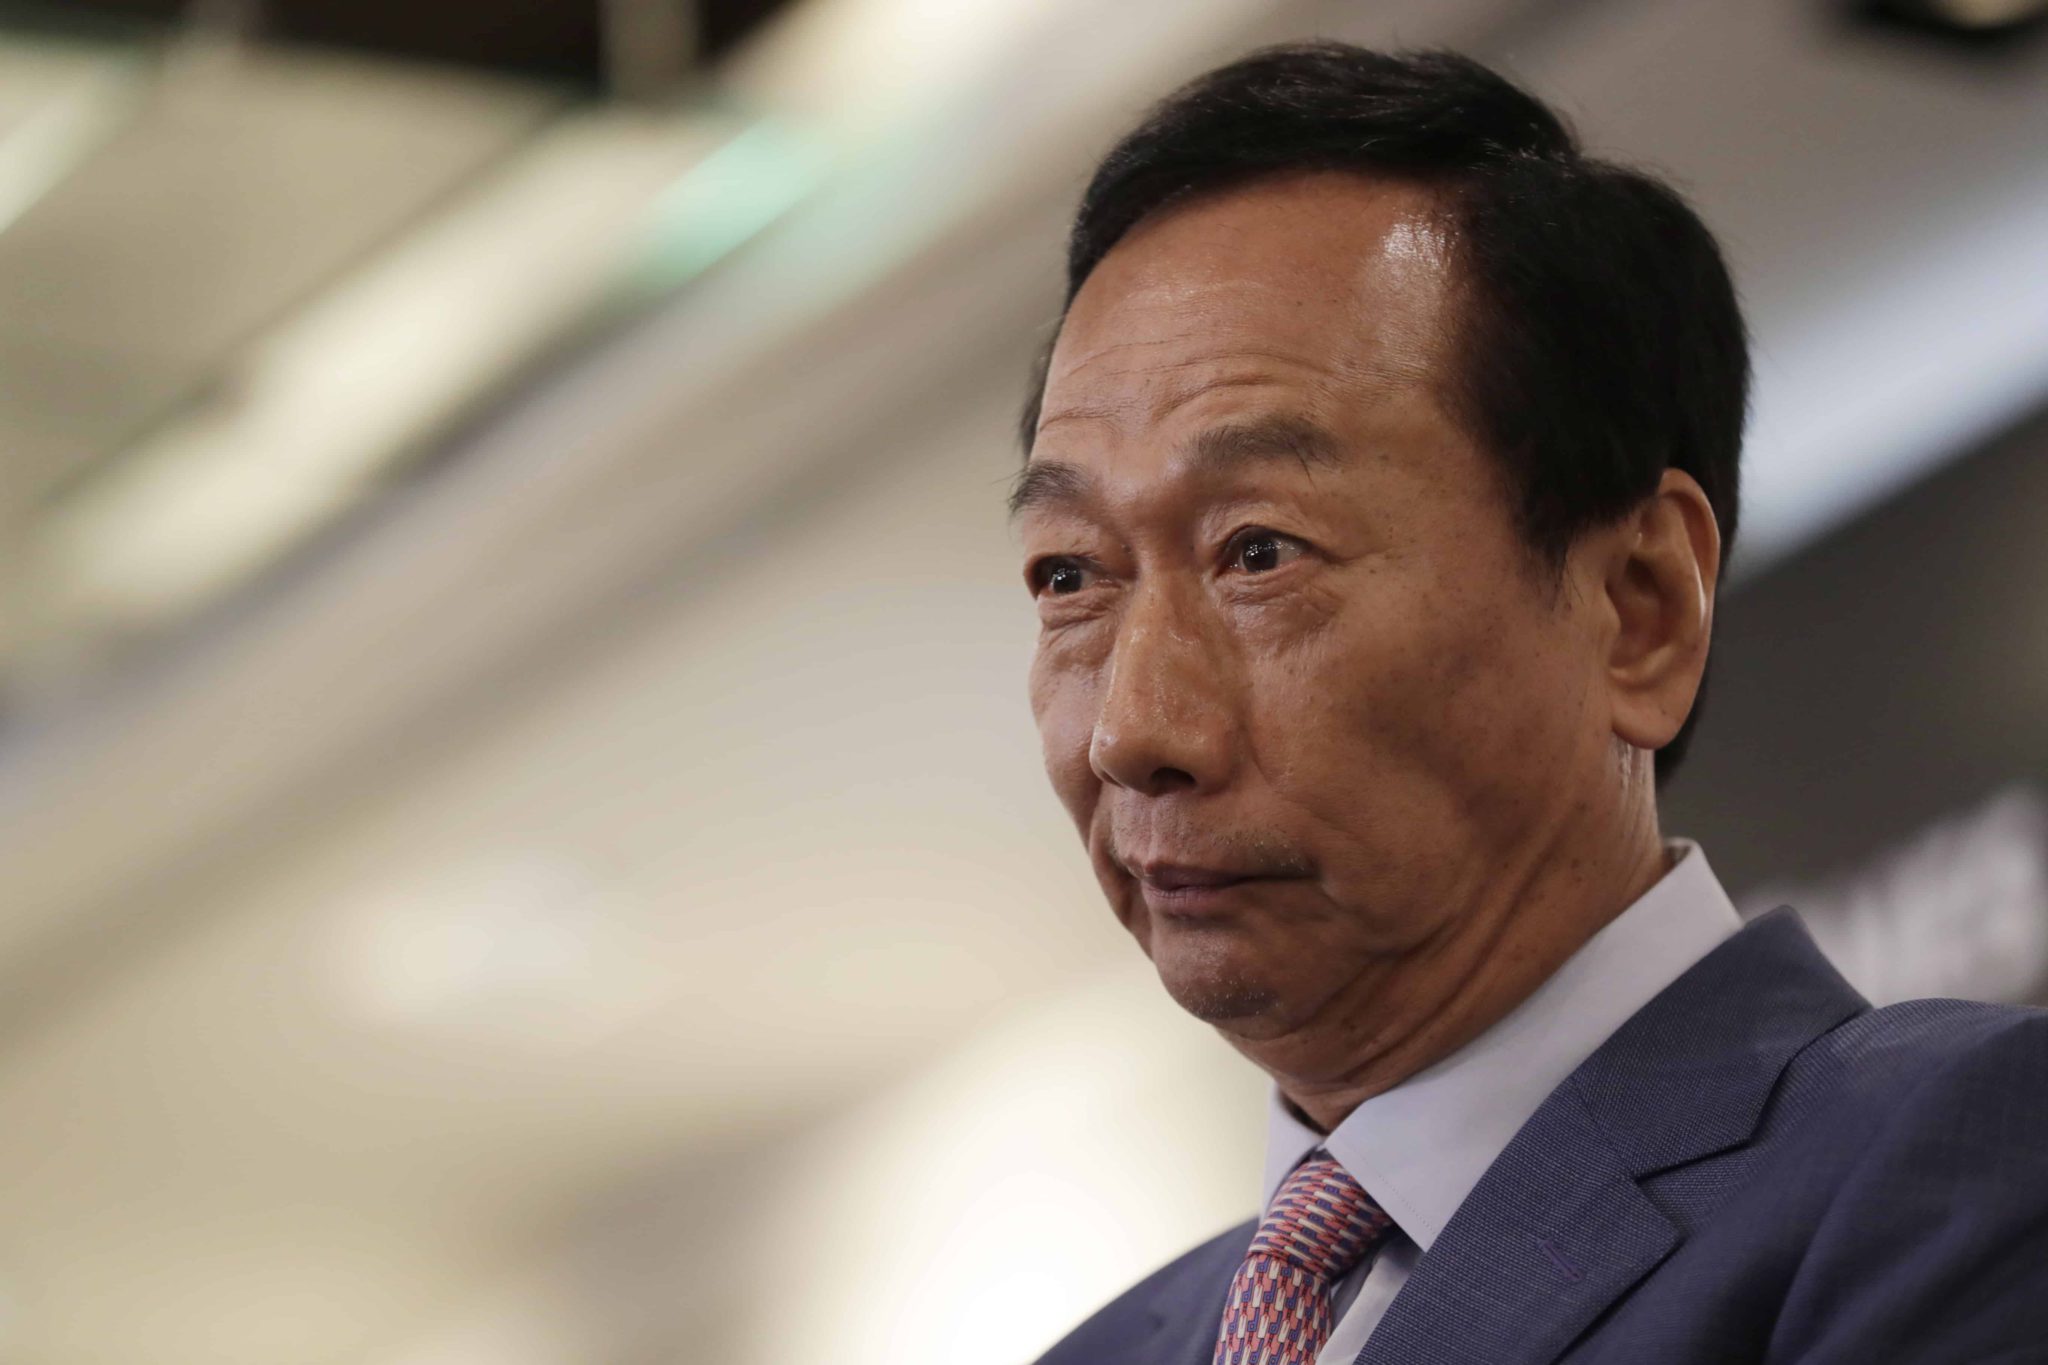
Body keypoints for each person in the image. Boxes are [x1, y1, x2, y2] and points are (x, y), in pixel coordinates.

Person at [1009, 42, 2048, 1365]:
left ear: (1638, 606)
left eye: (1260, 552)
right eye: (1070, 576)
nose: (1133, 730)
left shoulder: (1958, 1171)